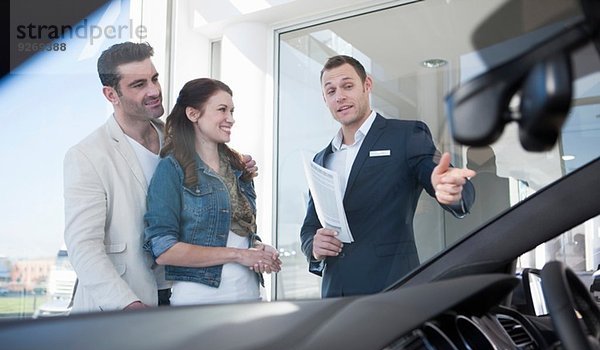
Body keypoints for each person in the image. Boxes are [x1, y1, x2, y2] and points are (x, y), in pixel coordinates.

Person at [63, 42, 258, 313]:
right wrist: (127, 304)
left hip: (184, 291)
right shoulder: (87, 155)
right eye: (138, 84)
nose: (154, 91)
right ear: (111, 94)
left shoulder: (181, 139)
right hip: (126, 301)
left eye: (154, 79)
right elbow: (83, 247)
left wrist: (234, 170)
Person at [300, 55, 476, 298]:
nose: (339, 96)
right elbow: (310, 226)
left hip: (392, 289)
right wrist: (314, 246)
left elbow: (439, 175)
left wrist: (450, 188)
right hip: (335, 294)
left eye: (347, 86)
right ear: (325, 99)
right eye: (331, 91)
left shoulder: (406, 135)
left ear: (367, 85)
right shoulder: (321, 159)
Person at [144, 78, 281, 306]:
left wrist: (259, 250)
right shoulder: (171, 169)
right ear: (193, 114)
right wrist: (239, 255)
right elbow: (164, 249)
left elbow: (241, 236)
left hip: (251, 297)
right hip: (199, 304)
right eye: (222, 110)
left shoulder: (239, 168)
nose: (231, 118)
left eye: (232, 111)